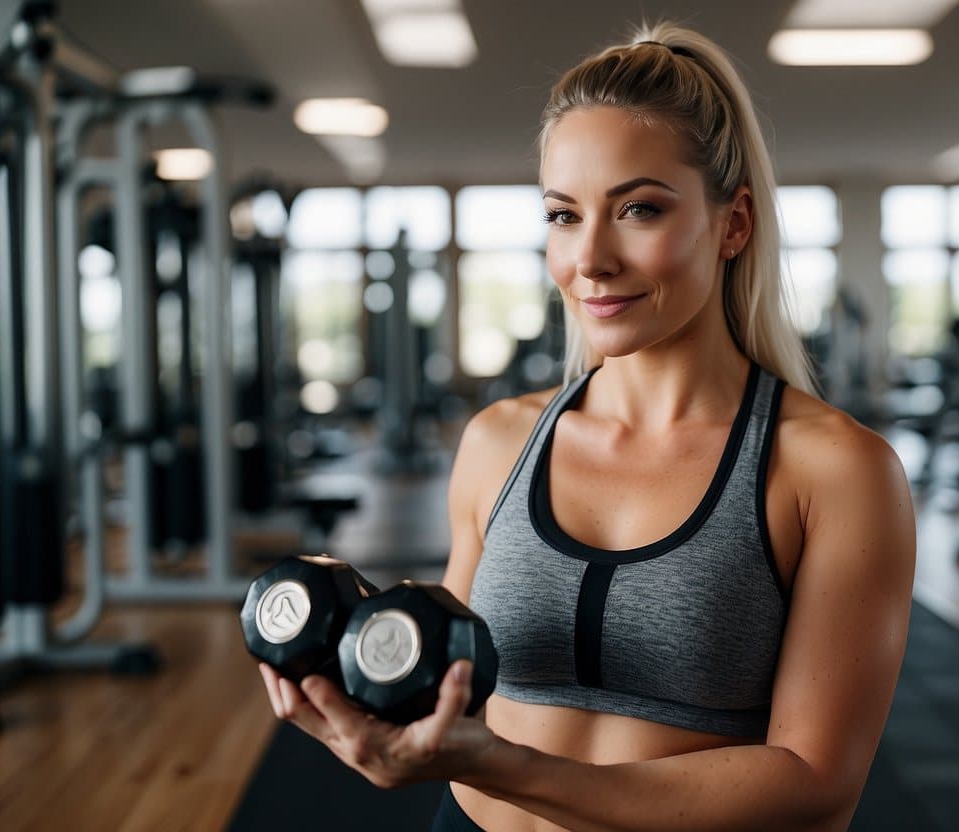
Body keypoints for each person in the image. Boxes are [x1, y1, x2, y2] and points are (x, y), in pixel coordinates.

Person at [259, 21, 916, 832]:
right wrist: (359, 700)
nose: (590, 259)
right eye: (563, 216)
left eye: (638, 209)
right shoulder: (498, 442)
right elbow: (441, 689)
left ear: (734, 223)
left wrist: (508, 767)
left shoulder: (832, 471)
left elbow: (814, 784)